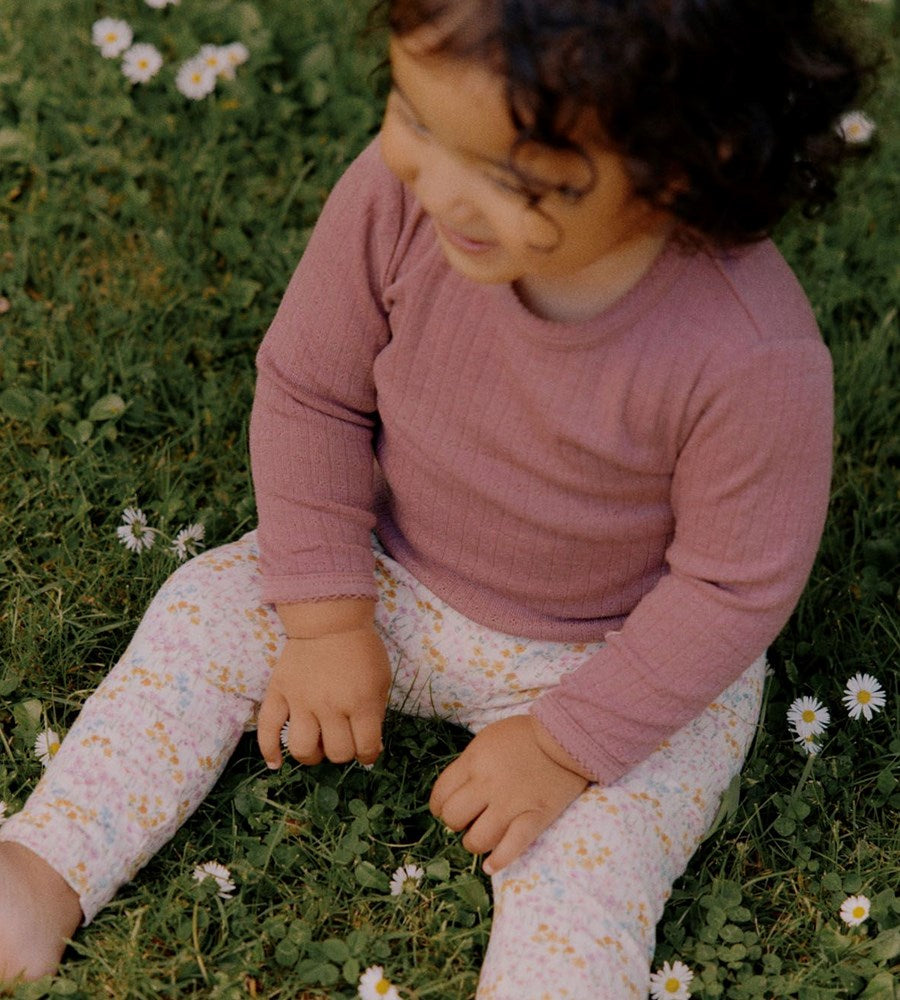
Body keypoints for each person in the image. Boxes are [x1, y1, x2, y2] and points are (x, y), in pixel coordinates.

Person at [0, 0, 866, 995]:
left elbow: (730, 591)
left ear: (683, 165)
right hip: (393, 564)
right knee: (203, 619)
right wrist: (325, 620)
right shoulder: (394, 198)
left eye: (510, 177)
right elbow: (309, 389)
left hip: (620, 653)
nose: (440, 190)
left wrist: (564, 744)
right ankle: (40, 866)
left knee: (595, 860)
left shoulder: (752, 356)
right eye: (412, 116)